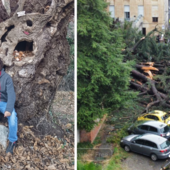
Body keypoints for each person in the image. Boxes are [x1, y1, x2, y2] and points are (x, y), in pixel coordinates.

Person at [0, 59, 18, 154]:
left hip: (3, 103)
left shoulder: (6, 78)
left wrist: (9, 109)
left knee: (13, 117)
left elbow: (11, 95)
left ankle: (13, 141)